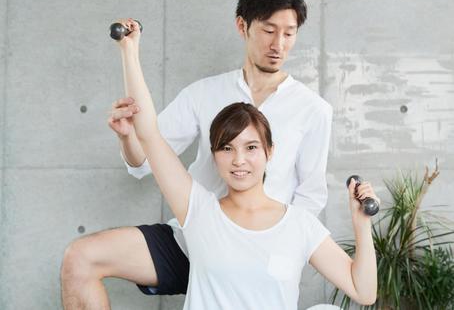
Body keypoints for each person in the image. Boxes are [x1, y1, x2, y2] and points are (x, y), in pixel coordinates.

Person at [61, 0, 332, 308]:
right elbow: (145, 160)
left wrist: (280, 256)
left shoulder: (313, 110)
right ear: (242, 26)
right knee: (80, 257)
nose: (279, 44)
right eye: (268, 30)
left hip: (255, 256)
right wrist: (129, 137)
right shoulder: (203, 94)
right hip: (192, 238)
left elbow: (310, 196)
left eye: (289, 33)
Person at [108, 22, 378, 309]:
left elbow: (364, 292)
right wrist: (129, 50)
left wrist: (362, 224)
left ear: (269, 152)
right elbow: (149, 133)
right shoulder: (199, 211)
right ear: (215, 156)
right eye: (227, 148)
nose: (239, 160)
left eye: (251, 148)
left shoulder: (299, 225)